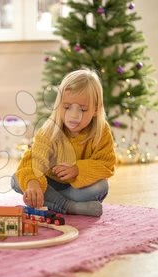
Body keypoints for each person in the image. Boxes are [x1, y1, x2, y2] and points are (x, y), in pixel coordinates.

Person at [12, 68, 116, 217]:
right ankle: (71, 207)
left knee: (101, 187)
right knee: (16, 179)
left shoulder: (101, 130)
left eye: (83, 109)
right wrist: (33, 183)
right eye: (67, 107)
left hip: (76, 189)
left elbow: (106, 164)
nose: (73, 115)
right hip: (49, 184)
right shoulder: (50, 129)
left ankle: (53, 202)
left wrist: (78, 169)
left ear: (96, 109)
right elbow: (35, 159)